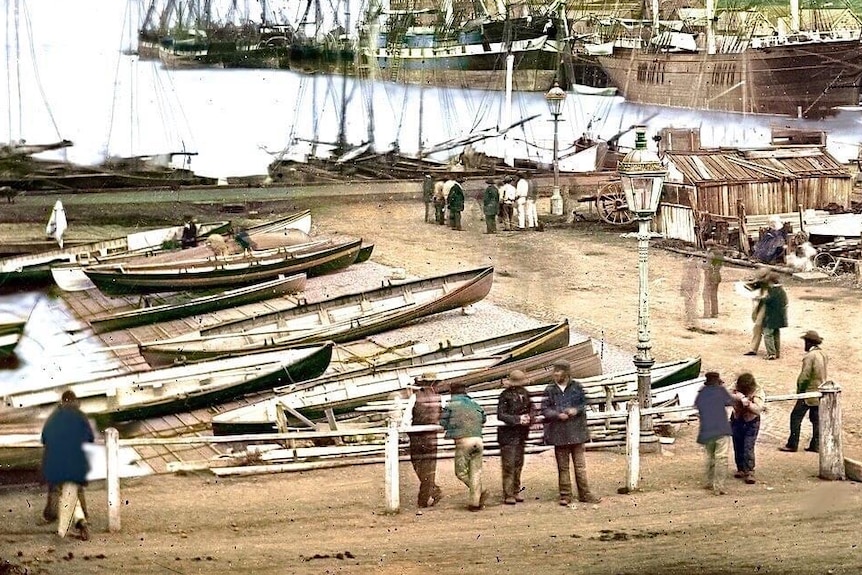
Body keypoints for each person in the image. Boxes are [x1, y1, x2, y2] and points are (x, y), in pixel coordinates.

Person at [541, 360, 601, 506]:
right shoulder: (550, 390)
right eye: (554, 371)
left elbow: (583, 404)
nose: (555, 374)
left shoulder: (577, 387)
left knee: (580, 466)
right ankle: (565, 495)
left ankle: (585, 494)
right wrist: (556, 415)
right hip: (559, 434)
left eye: (559, 371)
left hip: (576, 433)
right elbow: (545, 409)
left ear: (567, 373)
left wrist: (575, 410)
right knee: (563, 467)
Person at [41, 390, 94, 540]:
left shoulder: (54, 417)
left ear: (62, 401)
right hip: (75, 462)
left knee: (55, 489)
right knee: (77, 490)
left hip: (56, 462)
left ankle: (50, 515)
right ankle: (83, 517)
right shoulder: (81, 416)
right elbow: (90, 438)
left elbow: (44, 437)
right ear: (75, 401)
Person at [440, 382, 488, 511]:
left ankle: (481, 490)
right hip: (478, 439)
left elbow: (443, 422)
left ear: (452, 392)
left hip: (463, 441)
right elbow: (484, 418)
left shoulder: (451, 405)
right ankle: (475, 503)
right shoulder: (474, 403)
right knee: (476, 471)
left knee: (461, 473)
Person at [781, 330, 828, 453]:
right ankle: (815, 445)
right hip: (820, 391)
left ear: (808, 342)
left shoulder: (809, 356)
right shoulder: (823, 354)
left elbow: (804, 376)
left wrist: (800, 390)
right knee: (816, 419)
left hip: (808, 393)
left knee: (795, 417)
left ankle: (792, 444)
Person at [694, 372, 734, 495]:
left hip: (707, 430)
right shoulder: (720, 391)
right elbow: (730, 401)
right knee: (721, 458)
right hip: (721, 429)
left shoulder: (702, 393)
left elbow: (697, 406)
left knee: (711, 457)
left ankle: (709, 482)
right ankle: (719, 487)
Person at [497, 369, 533, 504]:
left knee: (518, 464)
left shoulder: (525, 394)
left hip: (521, 435)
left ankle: (516, 491)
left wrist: (530, 418)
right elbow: (501, 415)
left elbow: (532, 409)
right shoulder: (504, 396)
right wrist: (518, 419)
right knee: (508, 465)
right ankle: (508, 494)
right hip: (508, 435)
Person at [409, 373, 443, 508]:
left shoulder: (414, 397)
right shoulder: (440, 398)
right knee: (429, 467)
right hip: (432, 436)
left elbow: (407, 418)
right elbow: (441, 415)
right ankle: (429, 492)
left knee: (417, 463)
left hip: (417, 435)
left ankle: (427, 495)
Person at [730, 373, 765, 484]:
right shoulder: (735, 387)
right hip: (737, 419)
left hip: (751, 421)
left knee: (748, 446)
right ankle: (740, 468)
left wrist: (747, 403)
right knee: (738, 444)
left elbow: (758, 409)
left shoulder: (758, 391)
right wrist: (738, 397)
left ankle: (749, 471)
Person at [761, 272, 788, 360]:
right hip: (779, 316)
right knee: (776, 334)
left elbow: (767, 301)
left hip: (770, 317)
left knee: (768, 335)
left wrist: (761, 297)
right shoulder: (782, 290)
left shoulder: (772, 291)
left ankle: (771, 353)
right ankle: (777, 352)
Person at [744, 271, 770, 356]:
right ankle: (754, 349)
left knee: (761, 328)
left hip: (767, 308)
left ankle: (771, 351)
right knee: (758, 328)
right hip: (760, 307)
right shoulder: (759, 285)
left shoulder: (770, 286)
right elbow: (747, 286)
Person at [702, 240, 723, 318]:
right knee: (714, 295)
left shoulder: (710, 254)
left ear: (709, 246)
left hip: (710, 276)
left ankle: (706, 313)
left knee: (706, 294)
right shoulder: (720, 253)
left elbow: (707, 266)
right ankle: (715, 313)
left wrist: (701, 264)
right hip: (717, 275)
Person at [680, 255, 701, 331]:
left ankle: (691, 321)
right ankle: (690, 320)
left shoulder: (690, 266)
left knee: (691, 304)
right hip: (689, 287)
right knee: (689, 304)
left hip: (691, 288)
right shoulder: (689, 266)